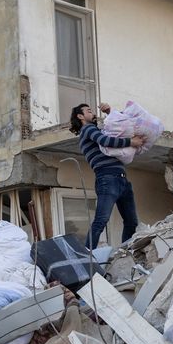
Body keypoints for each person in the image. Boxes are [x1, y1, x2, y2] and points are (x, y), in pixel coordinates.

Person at [71, 102, 144, 249]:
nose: (93, 113)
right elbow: (105, 140)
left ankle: (124, 253)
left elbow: (114, 129)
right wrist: (131, 141)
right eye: (89, 111)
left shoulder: (93, 129)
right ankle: (88, 255)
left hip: (120, 178)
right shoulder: (88, 129)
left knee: (131, 221)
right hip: (108, 178)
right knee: (101, 220)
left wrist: (110, 112)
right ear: (80, 116)